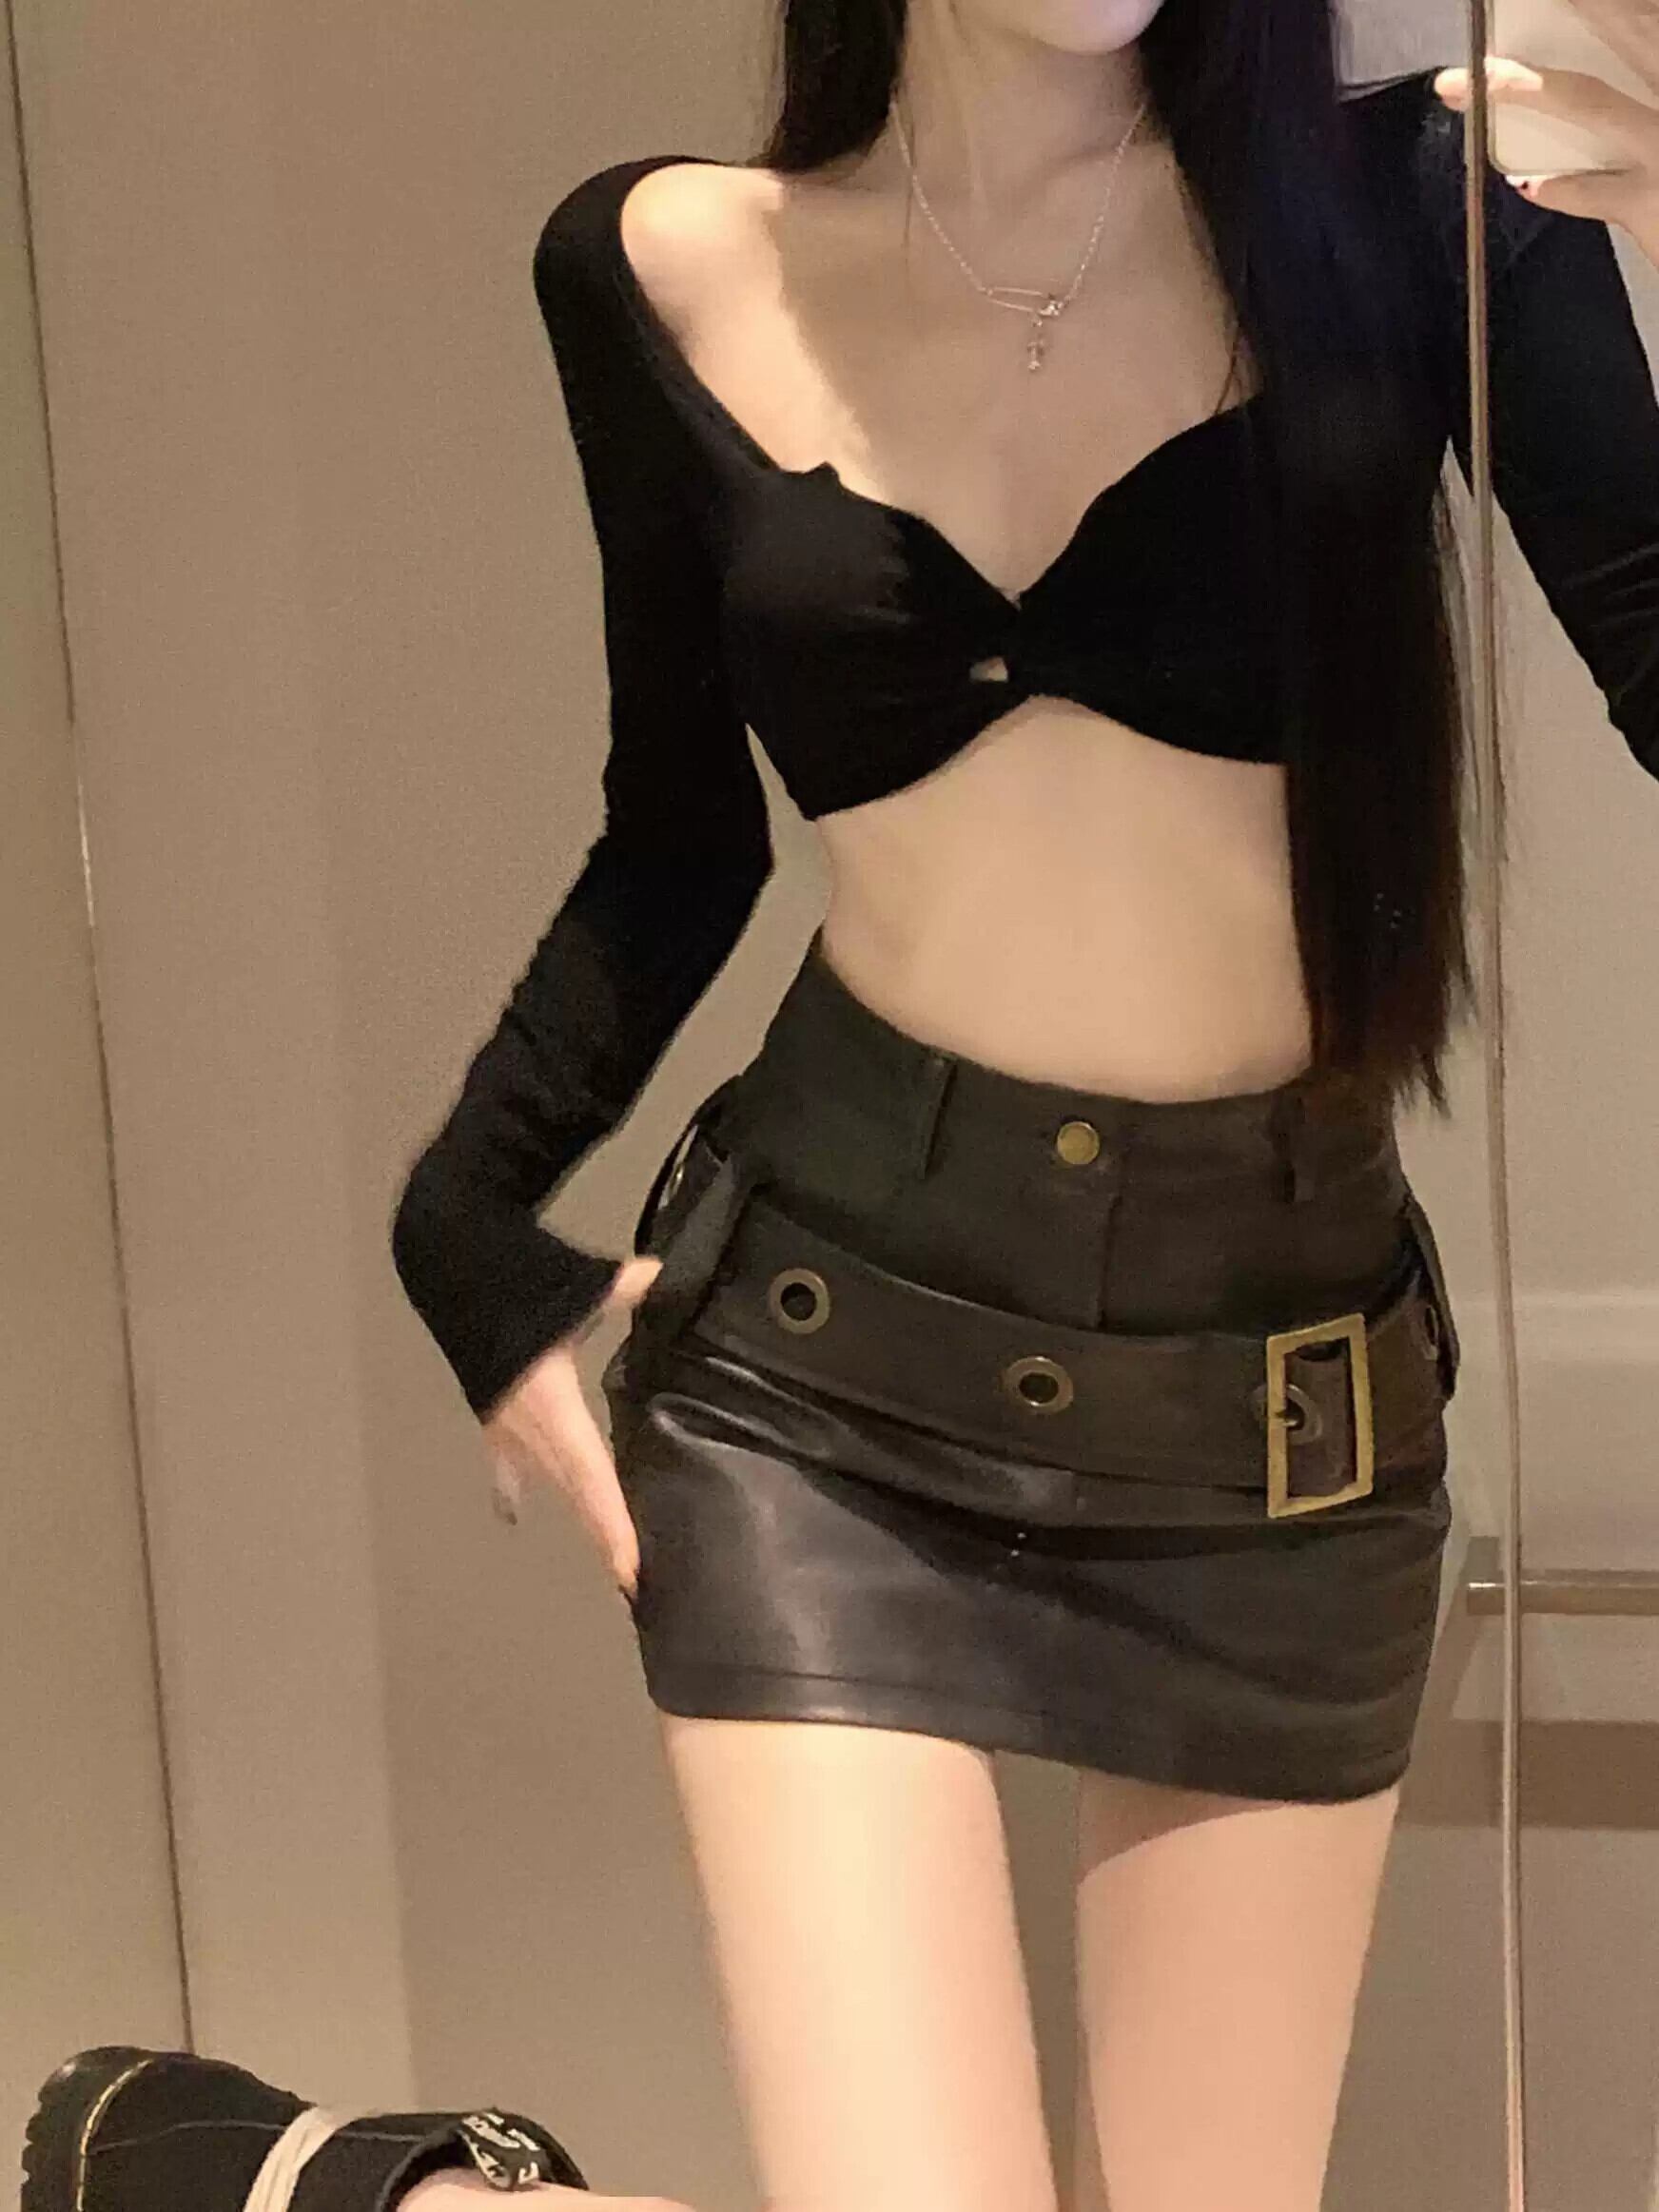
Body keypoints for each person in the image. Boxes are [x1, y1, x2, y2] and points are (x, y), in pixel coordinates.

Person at [388, 6, 1659, 2209]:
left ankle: (366, 2187)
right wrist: (465, 1215)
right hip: (819, 1375)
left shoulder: (1423, 215)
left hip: (1270, 1407)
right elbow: (675, 836)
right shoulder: (664, 264)